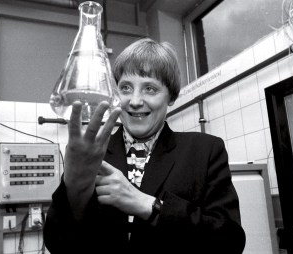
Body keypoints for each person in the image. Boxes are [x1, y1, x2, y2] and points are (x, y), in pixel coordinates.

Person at [44, 38, 246, 253]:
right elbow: (57, 243)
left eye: (150, 88)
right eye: (125, 88)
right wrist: (74, 187)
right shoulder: (94, 155)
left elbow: (230, 241)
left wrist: (149, 206)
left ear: (172, 96)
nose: (135, 100)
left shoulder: (204, 151)